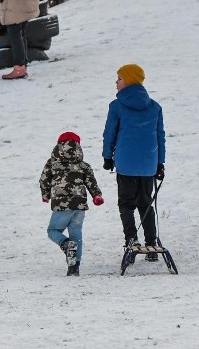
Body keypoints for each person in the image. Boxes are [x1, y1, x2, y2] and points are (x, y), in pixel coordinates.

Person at [102, 64, 166, 262]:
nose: (116, 82)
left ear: (128, 80)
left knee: (126, 204)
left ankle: (131, 240)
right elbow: (160, 137)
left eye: (119, 78)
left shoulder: (117, 106)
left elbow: (109, 133)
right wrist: (160, 163)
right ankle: (152, 244)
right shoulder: (155, 106)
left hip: (126, 164)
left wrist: (107, 156)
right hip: (148, 165)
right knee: (146, 203)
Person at [40, 131, 104, 276]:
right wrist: (97, 195)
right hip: (79, 205)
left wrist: (45, 194)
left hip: (62, 205)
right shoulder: (83, 165)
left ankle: (65, 244)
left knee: (53, 231)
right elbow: (91, 182)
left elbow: (44, 179)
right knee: (76, 235)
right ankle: (74, 268)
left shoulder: (52, 163)